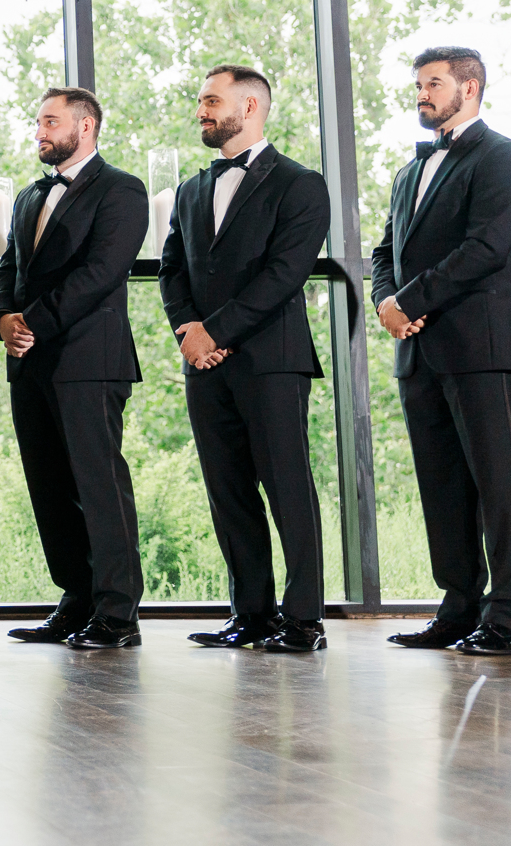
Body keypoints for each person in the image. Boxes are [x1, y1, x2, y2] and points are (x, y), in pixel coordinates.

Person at [156, 66, 331, 653]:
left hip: (272, 360)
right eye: (201, 101)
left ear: (250, 105)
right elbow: (171, 269)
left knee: (288, 489)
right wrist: (189, 331)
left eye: (212, 100)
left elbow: (284, 275)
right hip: (203, 363)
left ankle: (303, 620)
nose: (201, 111)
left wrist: (217, 332)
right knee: (227, 491)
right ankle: (250, 615)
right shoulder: (190, 189)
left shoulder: (301, 184)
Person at [375, 47, 511, 657]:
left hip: (483, 348)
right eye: (419, 84)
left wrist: (410, 300)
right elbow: (384, 250)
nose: (421, 94)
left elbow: (487, 247)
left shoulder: (505, 156)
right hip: (419, 351)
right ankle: (458, 607)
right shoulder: (408, 172)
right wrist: (385, 301)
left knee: (500, 489)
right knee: (442, 487)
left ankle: (509, 618)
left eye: (433, 84)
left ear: (469, 88)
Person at [0, 87, 148, 649]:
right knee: (50, 490)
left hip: (88, 362)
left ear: (85, 126)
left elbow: (101, 273)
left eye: (50, 122)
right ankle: (77, 601)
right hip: (29, 363)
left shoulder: (122, 189)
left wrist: (30, 322)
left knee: (99, 487)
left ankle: (118, 614)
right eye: (38, 122)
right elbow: (7, 266)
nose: (40, 131)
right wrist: (2, 318)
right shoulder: (29, 196)